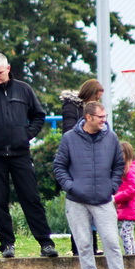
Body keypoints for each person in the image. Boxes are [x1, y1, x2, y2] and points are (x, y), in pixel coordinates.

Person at [0, 53, 58, 259]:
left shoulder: (24, 90)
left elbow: (39, 115)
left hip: (20, 154)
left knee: (31, 198)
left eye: (0, 73)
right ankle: (7, 245)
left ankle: (46, 243)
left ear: (8, 69)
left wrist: (26, 135)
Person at [53, 102, 133, 269]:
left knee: (112, 242)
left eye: (105, 116)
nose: (104, 120)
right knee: (84, 243)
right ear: (88, 117)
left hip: (103, 199)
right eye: (101, 117)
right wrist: (71, 187)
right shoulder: (69, 138)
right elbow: (59, 166)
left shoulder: (111, 137)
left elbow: (118, 165)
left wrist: (112, 187)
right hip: (77, 201)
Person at [59, 79, 104, 256]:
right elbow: (69, 131)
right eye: (96, 98)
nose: (97, 102)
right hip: (76, 161)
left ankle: (92, 245)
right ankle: (77, 246)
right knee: (77, 206)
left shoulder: (96, 113)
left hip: (92, 160)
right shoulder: (71, 108)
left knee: (93, 205)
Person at [113, 141, 135, 256]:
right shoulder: (126, 169)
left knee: (125, 233)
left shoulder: (131, 169)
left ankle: (130, 256)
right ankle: (134, 255)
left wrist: (117, 198)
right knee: (128, 233)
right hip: (127, 207)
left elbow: (134, 187)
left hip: (131, 207)